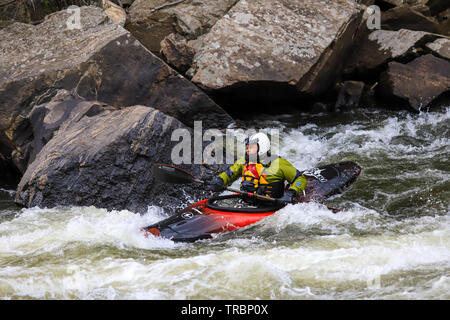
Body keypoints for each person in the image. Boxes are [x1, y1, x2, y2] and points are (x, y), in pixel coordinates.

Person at [206, 132, 307, 205]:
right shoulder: (244, 161)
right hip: (247, 202)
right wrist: (219, 180)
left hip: (270, 205)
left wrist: (291, 192)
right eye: (247, 147)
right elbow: (229, 173)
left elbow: (300, 179)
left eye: (251, 147)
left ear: (262, 147)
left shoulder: (278, 163)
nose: (248, 150)